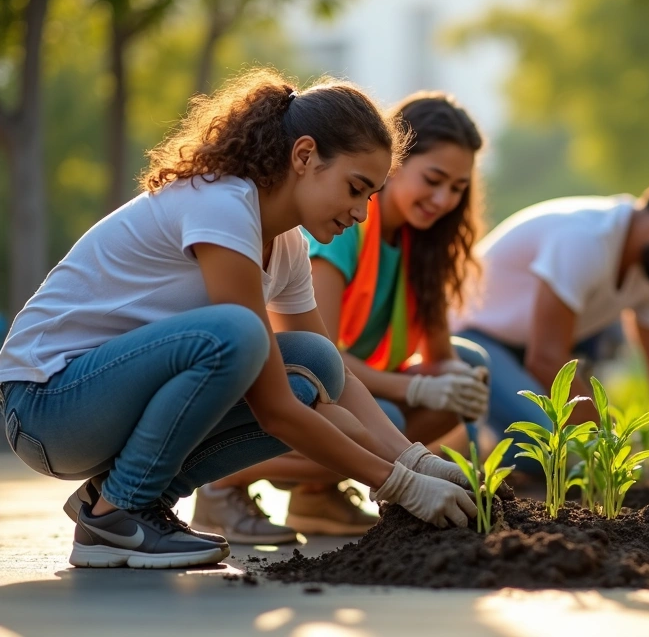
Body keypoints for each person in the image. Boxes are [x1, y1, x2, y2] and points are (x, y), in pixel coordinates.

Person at [0, 69, 476, 569]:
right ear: (304, 156)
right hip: (46, 405)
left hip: (99, 408)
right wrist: (396, 484)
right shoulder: (222, 203)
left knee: (317, 363)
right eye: (355, 188)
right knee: (241, 334)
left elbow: (329, 384)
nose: (361, 213)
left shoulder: (287, 246)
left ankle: (120, 501)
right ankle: (120, 515)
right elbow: (274, 407)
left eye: (370, 197)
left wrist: (416, 461)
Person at [191, 92, 491, 542]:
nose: (443, 198)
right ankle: (221, 481)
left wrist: (454, 389)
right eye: (433, 180)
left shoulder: (423, 245)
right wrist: (412, 408)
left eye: (458, 188)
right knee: (382, 416)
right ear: (395, 165)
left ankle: (316, 496)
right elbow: (319, 360)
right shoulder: (338, 228)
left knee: (460, 373)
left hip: (345, 387)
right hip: (299, 386)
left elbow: (438, 356)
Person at [452, 161, 649, 487]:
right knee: (552, 446)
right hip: (470, 340)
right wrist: (611, 444)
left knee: (559, 450)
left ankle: (482, 444)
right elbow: (546, 359)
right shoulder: (587, 239)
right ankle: (463, 451)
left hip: (521, 353)